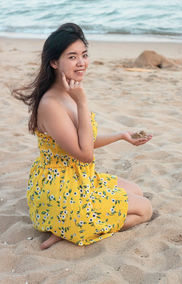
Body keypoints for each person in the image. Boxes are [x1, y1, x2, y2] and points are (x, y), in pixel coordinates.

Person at [12, 23, 153, 250]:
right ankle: (70, 228)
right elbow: (85, 154)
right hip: (61, 189)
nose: (81, 63)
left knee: (135, 191)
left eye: (84, 55)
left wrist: (121, 135)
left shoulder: (69, 91)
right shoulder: (52, 104)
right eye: (72, 57)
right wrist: (82, 102)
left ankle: (72, 225)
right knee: (145, 210)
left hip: (80, 179)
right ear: (54, 62)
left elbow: (81, 141)